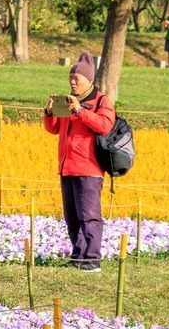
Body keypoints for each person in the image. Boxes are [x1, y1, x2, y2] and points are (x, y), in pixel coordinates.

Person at [43, 52, 117, 270]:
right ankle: (78, 256)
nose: (72, 82)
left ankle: (91, 258)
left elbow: (104, 126)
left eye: (77, 79)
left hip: (89, 168)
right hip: (67, 167)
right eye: (71, 79)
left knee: (89, 216)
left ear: (89, 80)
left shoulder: (102, 102)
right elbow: (54, 129)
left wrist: (80, 110)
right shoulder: (66, 101)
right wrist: (49, 113)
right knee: (72, 217)